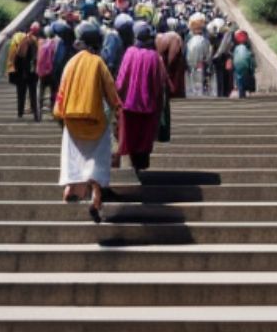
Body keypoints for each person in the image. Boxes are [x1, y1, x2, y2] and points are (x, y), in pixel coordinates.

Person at [54, 22, 121, 223]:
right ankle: (96, 198)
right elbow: (110, 90)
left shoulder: (70, 63)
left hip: (72, 121)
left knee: (74, 156)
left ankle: (71, 187)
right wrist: (117, 109)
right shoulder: (98, 62)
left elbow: (62, 91)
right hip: (95, 120)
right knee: (98, 159)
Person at [116, 21, 166, 172]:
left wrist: (116, 94)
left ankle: (130, 163)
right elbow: (158, 82)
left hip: (129, 104)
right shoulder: (154, 56)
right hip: (148, 104)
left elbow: (122, 78)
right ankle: (141, 165)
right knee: (144, 136)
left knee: (129, 135)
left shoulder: (130, 52)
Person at [13, 23, 41, 120]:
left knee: (21, 94)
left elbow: (16, 58)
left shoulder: (22, 41)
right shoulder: (35, 42)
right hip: (32, 73)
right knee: (33, 94)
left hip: (21, 73)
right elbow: (37, 58)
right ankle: (36, 115)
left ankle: (20, 113)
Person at [156, 19, 186, 99]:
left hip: (172, 52)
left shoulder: (163, 38)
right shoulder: (173, 36)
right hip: (174, 52)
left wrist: (168, 65)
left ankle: (173, 93)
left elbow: (169, 57)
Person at [185, 13, 212, 97]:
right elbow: (208, 53)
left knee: (193, 76)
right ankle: (204, 89)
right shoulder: (205, 37)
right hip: (201, 61)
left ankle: (195, 91)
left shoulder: (189, 37)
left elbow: (186, 50)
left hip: (192, 61)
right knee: (205, 74)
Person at [232, 30, 256, 98]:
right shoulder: (247, 47)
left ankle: (241, 93)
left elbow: (234, 56)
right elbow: (250, 57)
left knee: (239, 77)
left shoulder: (236, 47)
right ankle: (249, 91)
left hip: (238, 63)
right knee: (248, 76)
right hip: (246, 63)